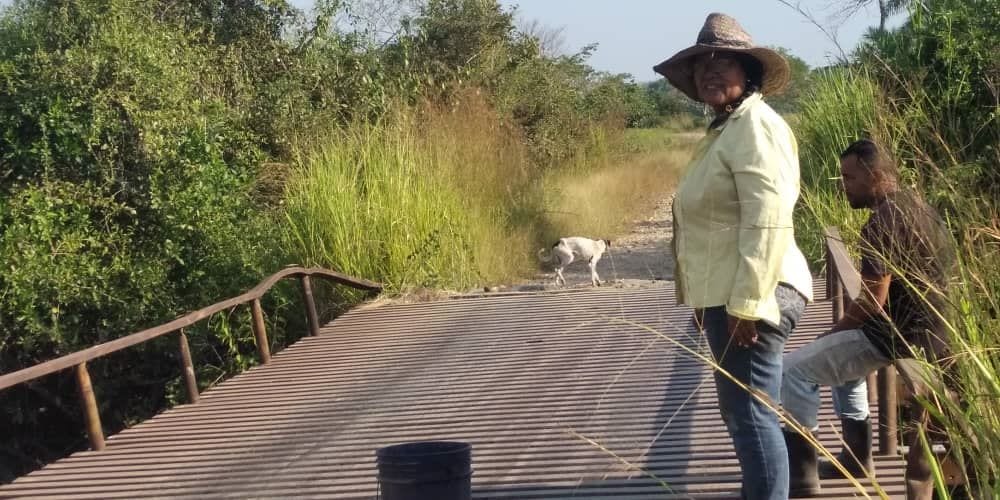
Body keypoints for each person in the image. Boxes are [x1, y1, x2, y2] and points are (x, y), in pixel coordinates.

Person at [654, 13, 814, 500]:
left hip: (757, 295)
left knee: (750, 416)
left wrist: (747, 302)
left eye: (724, 61)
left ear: (750, 72)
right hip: (736, 296)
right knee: (745, 416)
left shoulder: (755, 127)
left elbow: (767, 218)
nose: (710, 71)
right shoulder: (728, 130)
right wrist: (707, 304)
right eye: (702, 63)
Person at [780, 139, 954, 498]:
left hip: (900, 337)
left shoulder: (881, 223)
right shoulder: (920, 206)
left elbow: (873, 301)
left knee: (792, 372)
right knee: (845, 364)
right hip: (936, 332)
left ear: (874, 176)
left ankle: (801, 479)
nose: (844, 185)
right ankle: (857, 458)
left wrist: (830, 332)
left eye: (849, 177)